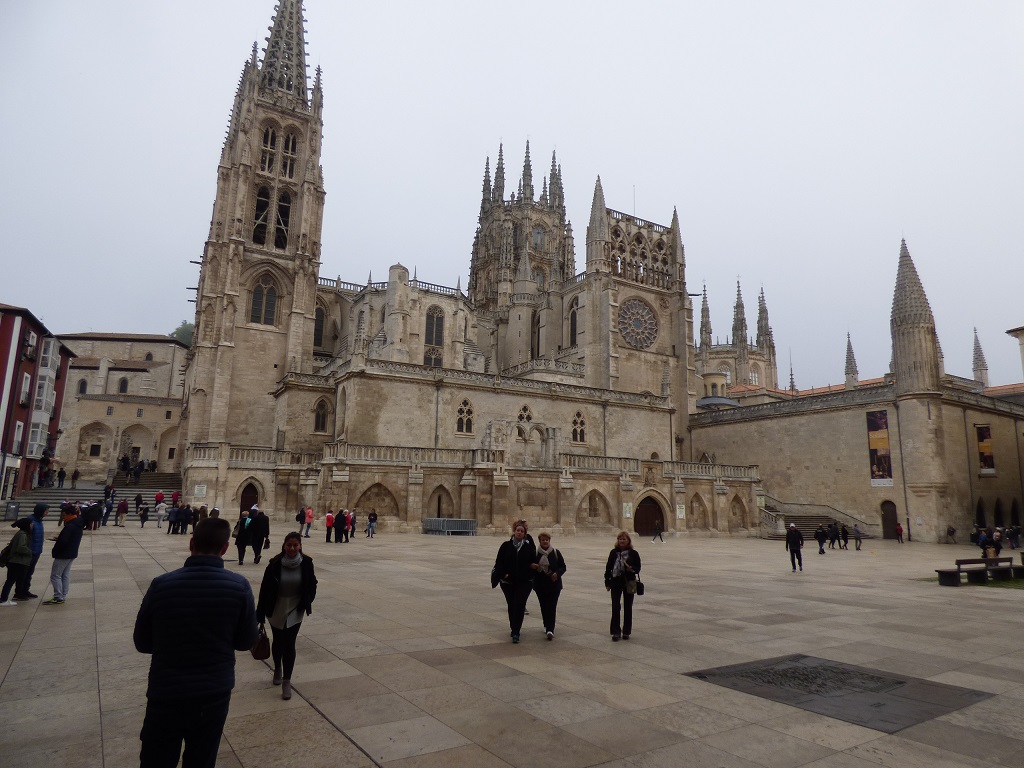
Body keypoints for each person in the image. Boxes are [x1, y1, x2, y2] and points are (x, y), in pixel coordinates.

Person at [135, 517, 258, 768]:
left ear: (191, 543)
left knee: (157, 759)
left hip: (166, 691)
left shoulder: (161, 585)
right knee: (201, 758)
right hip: (212, 692)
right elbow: (246, 642)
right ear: (225, 548)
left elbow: (142, 642)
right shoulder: (239, 587)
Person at [256, 532, 318, 700]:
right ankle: (277, 668)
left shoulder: (307, 563)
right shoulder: (274, 564)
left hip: (295, 609)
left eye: (295, 545)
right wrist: (260, 613)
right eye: (289, 545)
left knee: (290, 643)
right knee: (278, 641)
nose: (292, 548)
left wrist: (306, 601)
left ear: (300, 546)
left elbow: (312, 584)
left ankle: (286, 681)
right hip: (276, 607)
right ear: (284, 545)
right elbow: (265, 589)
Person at [493, 522, 536, 643]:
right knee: (512, 605)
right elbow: (499, 563)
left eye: (522, 531)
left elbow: (534, 563)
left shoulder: (528, 548)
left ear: (525, 534)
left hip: (524, 582)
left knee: (520, 605)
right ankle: (513, 627)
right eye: (518, 530)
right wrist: (503, 575)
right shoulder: (505, 546)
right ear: (514, 531)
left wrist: (531, 574)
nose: (519, 532)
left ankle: (516, 631)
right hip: (508, 582)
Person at [44, 502, 85, 605]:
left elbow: (63, 541)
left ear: (69, 514)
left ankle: (58, 596)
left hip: (64, 553)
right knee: (65, 574)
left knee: (56, 575)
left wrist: (56, 549)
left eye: (64, 515)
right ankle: (63, 594)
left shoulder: (70, 525)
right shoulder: (77, 523)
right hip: (72, 552)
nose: (63, 517)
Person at [604, 531, 641, 641]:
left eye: (624, 539)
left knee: (628, 607)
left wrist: (632, 569)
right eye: (620, 539)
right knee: (615, 606)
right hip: (616, 581)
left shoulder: (633, 553)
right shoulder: (613, 553)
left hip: (630, 581)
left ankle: (626, 632)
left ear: (628, 541)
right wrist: (607, 581)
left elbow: (638, 567)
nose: (622, 541)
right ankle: (616, 632)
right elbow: (608, 567)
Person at [531, 532, 566, 640]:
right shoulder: (535, 553)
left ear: (549, 541)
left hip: (554, 585)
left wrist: (557, 573)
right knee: (544, 606)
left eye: (547, 540)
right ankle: (546, 623)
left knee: (552, 606)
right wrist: (533, 566)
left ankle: (550, 629)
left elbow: (563, 566)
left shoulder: (555, 552)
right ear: (540, 541)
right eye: (543, 540)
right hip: (540, 585)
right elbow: (530, 567)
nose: (545, 541)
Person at [15, 503, 48, 600]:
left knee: (29, 572)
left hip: (36, 551)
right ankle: (19, 592)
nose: (47, 513)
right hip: (29, 552)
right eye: (46, 511)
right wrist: (28, 550)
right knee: (23, 573)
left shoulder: (39, 521)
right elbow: (25, 536)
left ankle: (25, 590)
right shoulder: (30, 521)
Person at [1, 518, 34, 606]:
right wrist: (30, 552)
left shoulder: (22, 534)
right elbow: (20, 547)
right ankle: (3, 599)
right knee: (10, 580)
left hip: (17, 561)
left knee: (12, 580)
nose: (32, 525)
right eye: (31, 524)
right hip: (17, 561)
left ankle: (5, 598)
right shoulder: (22, 535)